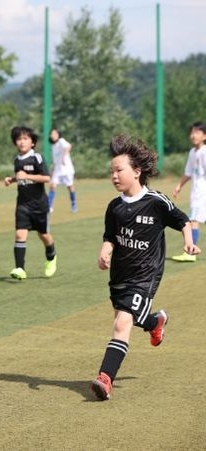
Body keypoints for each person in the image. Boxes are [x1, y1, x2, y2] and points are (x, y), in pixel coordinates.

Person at [90, 134, 199, 401]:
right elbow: (110, 236)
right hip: (120, 275)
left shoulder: (155, 202)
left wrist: (188, 241)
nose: (114, 176)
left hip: (146, 274)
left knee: (122, 323)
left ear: (137, 171)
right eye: (112, 171)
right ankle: (156, 322)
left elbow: (182, 219)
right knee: (133, 316)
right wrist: (105, 250)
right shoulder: (114, 207)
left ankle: (105, 378)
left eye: (119, 170)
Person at [4, 126, 57, 280]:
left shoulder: (37, 158)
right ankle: (20, 268)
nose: (22, 142)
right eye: (19, 139)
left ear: (32, 142)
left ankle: (51, 257)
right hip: (23, 205)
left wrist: (27, 175)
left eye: (25, 139)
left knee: (44, 235)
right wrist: (12, 179)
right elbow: (21, 177)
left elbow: (47, 178)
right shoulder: (17, 160)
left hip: (40, 205)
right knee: (20, 234)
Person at [171, 121, 206, 262]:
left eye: (197, 132)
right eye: (192, 132)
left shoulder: (204, 152)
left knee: (193, 221)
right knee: (194, 220)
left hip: (202, 193)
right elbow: (189, 172)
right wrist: (179, 186)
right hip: (196, 192)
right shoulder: (193, 152)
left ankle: (190, 253)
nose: (193, 135)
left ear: (204, 136)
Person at [47, 127, 77, 213]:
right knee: (52, 186)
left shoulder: (61, 141)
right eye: (51, 134)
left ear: (58, 135)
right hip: (57, 170)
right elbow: (55, 159)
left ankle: (74, 204)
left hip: (66, 169)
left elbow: (68, 146)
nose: (52, 135)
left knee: (70, 187)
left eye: (54, 134)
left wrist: (64, 156)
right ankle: (49, 206)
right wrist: (53, 169)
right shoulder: (53, 145)